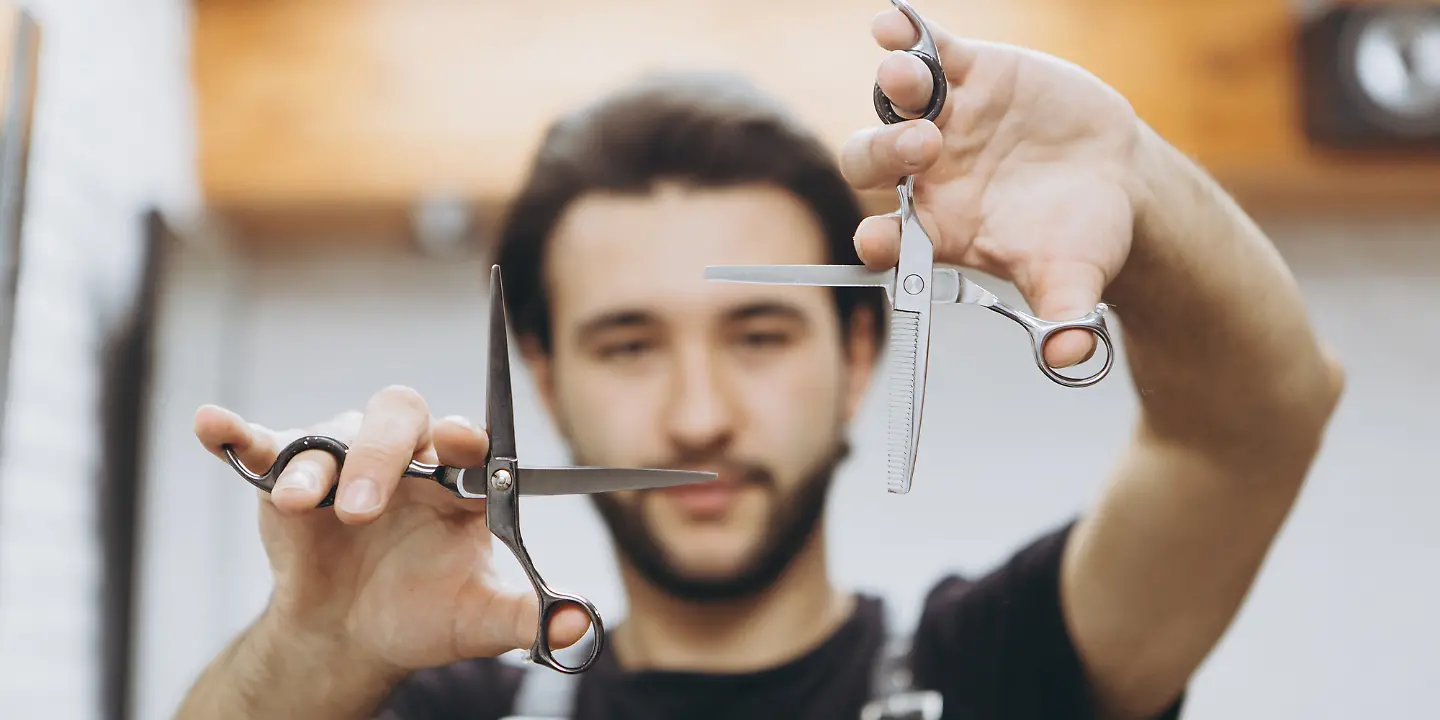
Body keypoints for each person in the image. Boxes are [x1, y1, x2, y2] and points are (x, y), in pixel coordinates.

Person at [176, 7, 1344, 720]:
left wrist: (1134, 180)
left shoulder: (1012, 668)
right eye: (629, 344)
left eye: (759, 334)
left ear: (854, 358)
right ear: (543, 373)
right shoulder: (431, 699)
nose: (698, 416)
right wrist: (314, 654)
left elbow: (1258, 420)